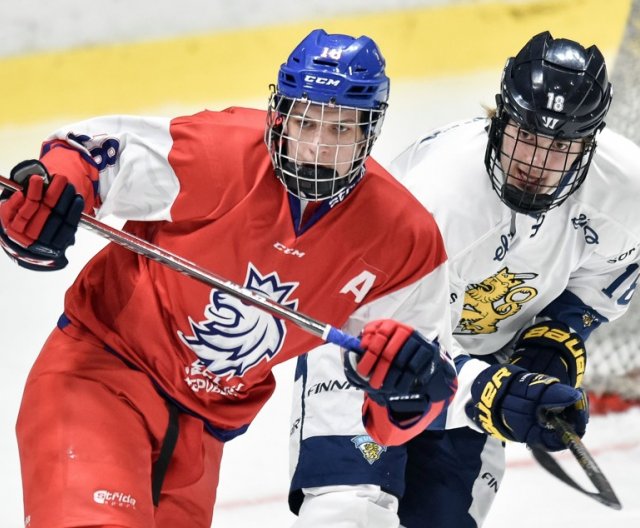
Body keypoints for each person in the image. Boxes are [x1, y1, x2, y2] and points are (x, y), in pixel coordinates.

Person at [0, 29, 459, 528]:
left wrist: (410, 401)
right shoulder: (223, 151)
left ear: (369, 132)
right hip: (99, 378)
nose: (317, 148)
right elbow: (94, 154)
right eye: (306, 122)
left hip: (202, 433)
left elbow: (407, 402)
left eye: (342, 130)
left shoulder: (404, 241)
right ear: (280, 115)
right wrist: (51, 196)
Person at [288, 31, 640, 527]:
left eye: (559, 146)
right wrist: (491, 393)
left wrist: (558, 335)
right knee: (347, 514)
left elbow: (606, 275)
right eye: (527, 135)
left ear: (589, 145)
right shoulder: (435, 196)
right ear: (500, 118)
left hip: (484, 356)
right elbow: (380, 334)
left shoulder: (624, 192)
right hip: (368, 351)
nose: (535, 164)